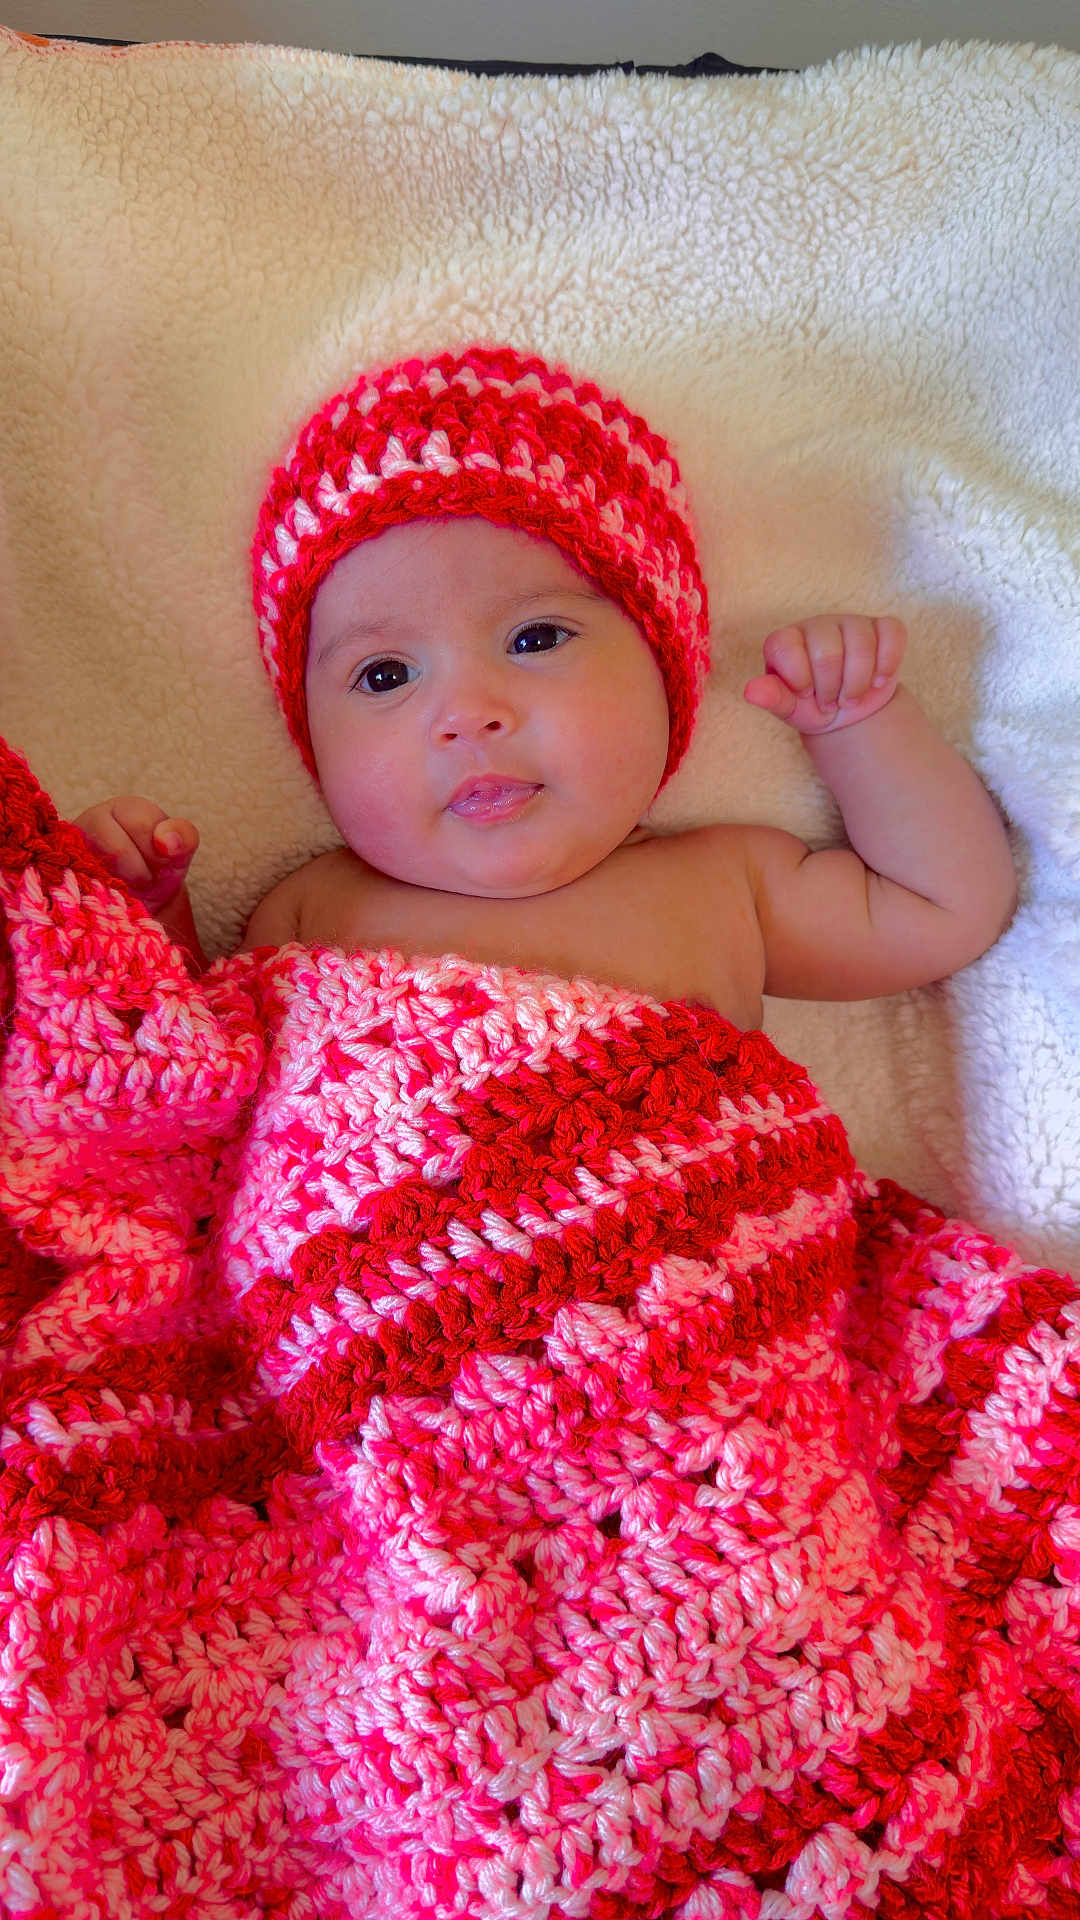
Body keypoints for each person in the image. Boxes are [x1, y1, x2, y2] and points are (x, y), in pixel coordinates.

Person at [74, 342, 1018, 1038]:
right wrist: (147, 918)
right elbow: (190, 1074)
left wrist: (858, 726)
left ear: (665, 667)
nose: (469, 712)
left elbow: (942, 909)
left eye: (535, 637)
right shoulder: (314, 912)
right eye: (386, 674)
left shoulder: (724, 884)